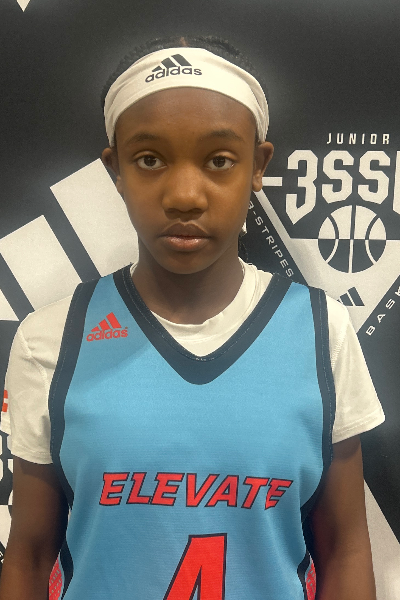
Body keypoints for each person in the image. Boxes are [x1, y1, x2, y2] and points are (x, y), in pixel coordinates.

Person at [0, 35, 384, 600]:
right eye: (150, 159)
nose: (184, 195)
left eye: (219, 160)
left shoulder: (320, 330)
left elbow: (346, 550)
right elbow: (29, 556)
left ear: (259, 165)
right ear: (115, 169)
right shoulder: (51, 339)